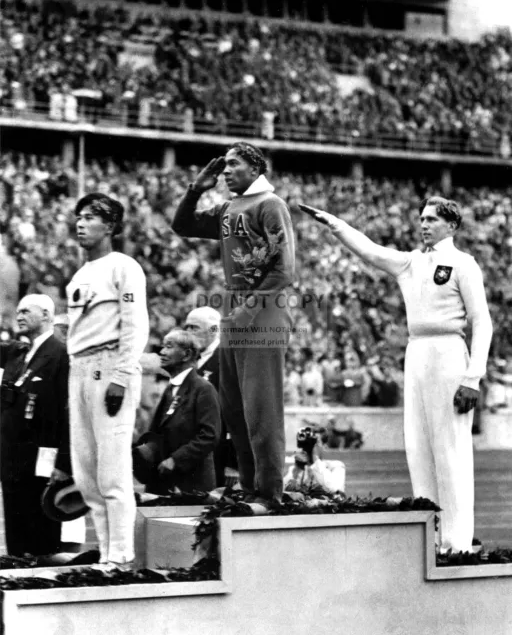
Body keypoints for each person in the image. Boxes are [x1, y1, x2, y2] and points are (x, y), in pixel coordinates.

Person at [300, 196, 493, 553]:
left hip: (450, 350)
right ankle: (429, 534)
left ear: (451, 225)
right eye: (421, 218)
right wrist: (334, 224)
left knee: (449, 448)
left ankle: (458, 542)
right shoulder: (410, 263)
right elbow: (370, 250)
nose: (423, 224)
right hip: (417, 351)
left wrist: (472, 377)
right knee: (418, 446)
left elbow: (482, 321)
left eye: (432, 219)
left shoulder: (464, 264)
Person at [172, 142, 295, 508]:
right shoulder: (229, 207)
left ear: (256, 169)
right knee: (235, 408)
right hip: (234, 307)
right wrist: (196, 189)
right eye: (223, 165)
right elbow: (183, 225)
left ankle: (270, 491)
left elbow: (284, 269)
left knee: (261, 407)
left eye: (233, 164)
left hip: (264, 309)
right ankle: (248, 483)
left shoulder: (270, 205)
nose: (225, 171)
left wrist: (248, 309)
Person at [66, 192, 149, 570]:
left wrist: (121, 374)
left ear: (110, 226)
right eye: (79, 217)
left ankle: (121, 556)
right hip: (79, 368)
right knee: (86, 475)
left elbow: (135, 324)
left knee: (112, 470)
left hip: (109, 365)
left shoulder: (124, 266)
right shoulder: (80, 274)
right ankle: (104, 553)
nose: (80, 223)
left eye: (90, 217)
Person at [0, 294, 72, 557]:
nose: (18, 316)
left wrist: (64, 462)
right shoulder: (17, 353)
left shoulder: (60, 354)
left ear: (46, 315)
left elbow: (68, 411)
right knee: (16, 538)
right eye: (17, 311)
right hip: (11, 457)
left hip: (43, 458)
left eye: (25, 311)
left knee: (41, 535)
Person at [132, 329, 220, 494]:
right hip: (163, 482)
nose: (162, 352)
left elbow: (209, 436)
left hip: (191, 486)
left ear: (186, 355)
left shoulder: (203, 389)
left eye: (169, 347)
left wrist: (176, 460)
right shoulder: (171, 388)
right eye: (163, 346)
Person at [183, 306, 239, 488]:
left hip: (218, 451)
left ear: (214, 329)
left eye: (195, 328)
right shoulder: (188, 360)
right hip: (190, 450)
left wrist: (233, 462)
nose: (189, 333)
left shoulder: (227, 359)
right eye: (187, 327)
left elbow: (236, 411)